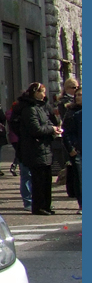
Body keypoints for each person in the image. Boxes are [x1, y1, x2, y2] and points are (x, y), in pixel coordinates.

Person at [16, 81, 63, 216]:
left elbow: (48, 122)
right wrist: (51, 129)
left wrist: (54, 130)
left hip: (45, 147)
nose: (44, 94)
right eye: (41, 91)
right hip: (34, 149)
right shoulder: (29, 109)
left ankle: (46, 205)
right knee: (38, 180)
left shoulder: (42, 107)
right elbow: (35, 129)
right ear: (34, 93)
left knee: (47, 179)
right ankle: (38, 207)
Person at [62, 86, 81, 214]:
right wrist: (71, 148)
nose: (80, 97)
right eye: (78, 95)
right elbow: (66, 132)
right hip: (79, 151)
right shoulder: (72, 113)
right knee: (80, 178)